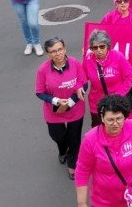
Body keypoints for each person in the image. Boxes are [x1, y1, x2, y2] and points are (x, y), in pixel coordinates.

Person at [75, 94, 132, 207]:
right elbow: (82, 171)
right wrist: (82, 203)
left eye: (119, 119)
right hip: (104, 201)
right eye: (110, 120)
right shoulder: (90, 140)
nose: (115, 124)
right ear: (102, 118)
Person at [35, 37, 87, 180]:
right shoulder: (43, 70)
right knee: (57, 136)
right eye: (53, 51)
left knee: (74, 139)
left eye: (60, 49)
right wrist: (56, 101)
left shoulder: (75, 63)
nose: (57, 54)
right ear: (48, 55)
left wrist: (70, 102)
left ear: (65, 49)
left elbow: (84, 83)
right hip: (53, 111)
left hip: (75, 108)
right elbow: (39, 92)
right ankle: (62, 150)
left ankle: (72, 164)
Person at [83, 30, 132, 127]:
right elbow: (83, 79)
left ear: (108, 46)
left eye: (102, 46)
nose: (99, 50)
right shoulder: (88, 60)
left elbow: (130, 75)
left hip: (118, 102)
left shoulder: (117, 56)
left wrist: (119, 95)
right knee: (101, 132)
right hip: (98, 105)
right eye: (95, 47)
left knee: (126, 129)